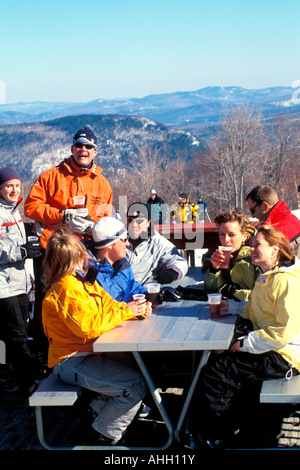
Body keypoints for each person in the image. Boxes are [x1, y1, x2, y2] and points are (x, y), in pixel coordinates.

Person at [187, 226, 300, 449]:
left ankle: (216, 435)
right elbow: (259, 309)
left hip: (287, 354)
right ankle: (224, 426)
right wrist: (234, 307)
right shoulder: (268, 276)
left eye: (257, 245)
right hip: (275, 345)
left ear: (274, 250)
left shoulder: (285, 281)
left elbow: (284, 330)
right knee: (218, 363)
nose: (252, 249)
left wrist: (246, 344)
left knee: (217, 372)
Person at [42, 227, 151, 445]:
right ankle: (105, 434)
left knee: (141, 365)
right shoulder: (67, 287)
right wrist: (127, 312)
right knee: (135, 384)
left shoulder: (83, 282)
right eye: (84, 256)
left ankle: (97, 410)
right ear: (74, 258)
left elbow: (109, 305)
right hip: (70, 359)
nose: (88, 260)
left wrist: (132, 311)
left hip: (90, 351)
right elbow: (87, 327)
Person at [24, 125, 113, 359]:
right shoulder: (51, 176)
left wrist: (93, 227)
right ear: (72, 148)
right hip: (53, 251)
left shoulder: (102, 183)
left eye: (88, 147)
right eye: (79, 145)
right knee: (50, 300)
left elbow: (106, 218)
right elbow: (31, 207)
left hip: (85, 251)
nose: (83, 150)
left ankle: (86, 347)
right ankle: (46, 351)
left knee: (85, 297)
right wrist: (62, 215)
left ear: (95, 152)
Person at [0, 167, 41, 391]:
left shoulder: (14, 212)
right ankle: (29, 380)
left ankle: (9, 375)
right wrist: (22, 252)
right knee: (17, 333)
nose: (14, 190)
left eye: (16, 185)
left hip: (20, 282)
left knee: (20, 331)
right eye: (8, 186)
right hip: (3, 286)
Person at [126, 202, 188, 285]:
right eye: (130, 220)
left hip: (143, 292)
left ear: (148, 223)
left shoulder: (158, 243)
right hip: (113, 293)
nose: (134, 225)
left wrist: (172, 272)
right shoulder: (118, 239)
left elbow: (179, 261)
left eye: (139, 221)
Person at [90, 217, 148, 303]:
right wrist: (129, 310)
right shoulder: (90, 275)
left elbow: (131, 286)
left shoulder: (121, 262)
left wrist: (149, 295)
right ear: (109, 244)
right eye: (124, 239)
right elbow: (101, 311)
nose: (128, 243)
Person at [204, 211, 258, 301]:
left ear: (244, 236)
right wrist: (214, 269)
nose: (226, 240)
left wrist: (232, 292)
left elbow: (263, 295)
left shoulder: (256, 256)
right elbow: (210, 290)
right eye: (222, 234)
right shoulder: (218, 254)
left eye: (231, 235)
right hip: (228, 310)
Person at [246, 185, 300, 257]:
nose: (253, 215)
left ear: (265, 206)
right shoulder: (289, 219)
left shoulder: (275, 231)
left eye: (253, 210)